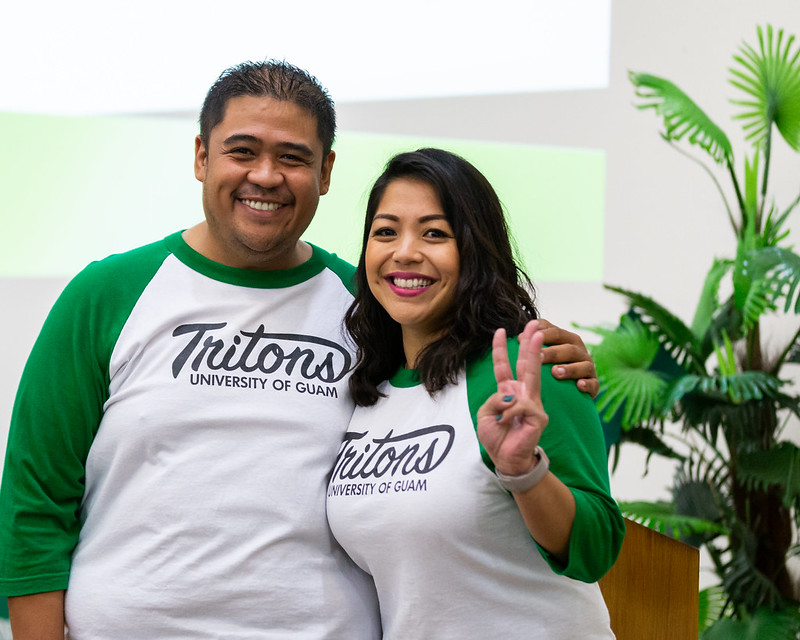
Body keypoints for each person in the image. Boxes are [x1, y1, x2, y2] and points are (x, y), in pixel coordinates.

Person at [0, 62, 600, 639]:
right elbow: (35, 503)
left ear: (327, 171)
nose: (266, 175)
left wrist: (544, 350)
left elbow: (450, 371)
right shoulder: (106, 295)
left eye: (293, 157)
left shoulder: (369, 307)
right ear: (201, 156)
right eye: (242, 150)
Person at [326, 148, 624, 639]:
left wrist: (523, 473)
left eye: (434, 233)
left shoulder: (528, 371)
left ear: (474, 250)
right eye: (385, 231)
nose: (404, 251)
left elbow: (595, 551)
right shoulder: (369, 392)